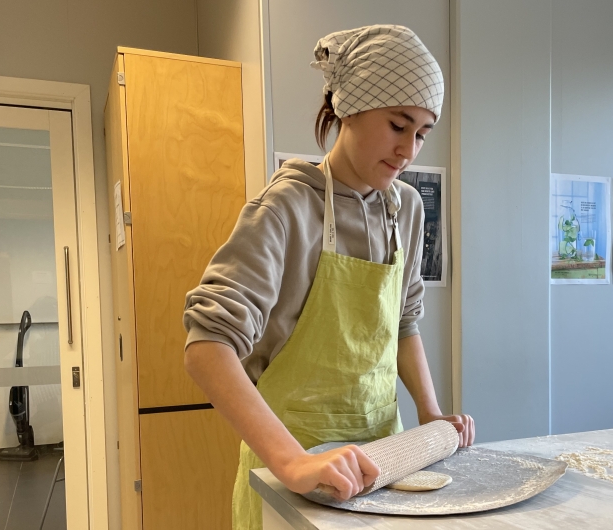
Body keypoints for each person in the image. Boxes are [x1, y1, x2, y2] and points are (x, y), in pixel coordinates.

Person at [182, 24, 474, 530]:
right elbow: (207, 346)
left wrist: (430, 414)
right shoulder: (287, 208)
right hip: (297, 472)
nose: (409, 150)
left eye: (423, 134)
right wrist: (293, 462)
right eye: (398, 125)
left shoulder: (405, 208)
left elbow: (403, 322)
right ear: (349, 108)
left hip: (383, 465)